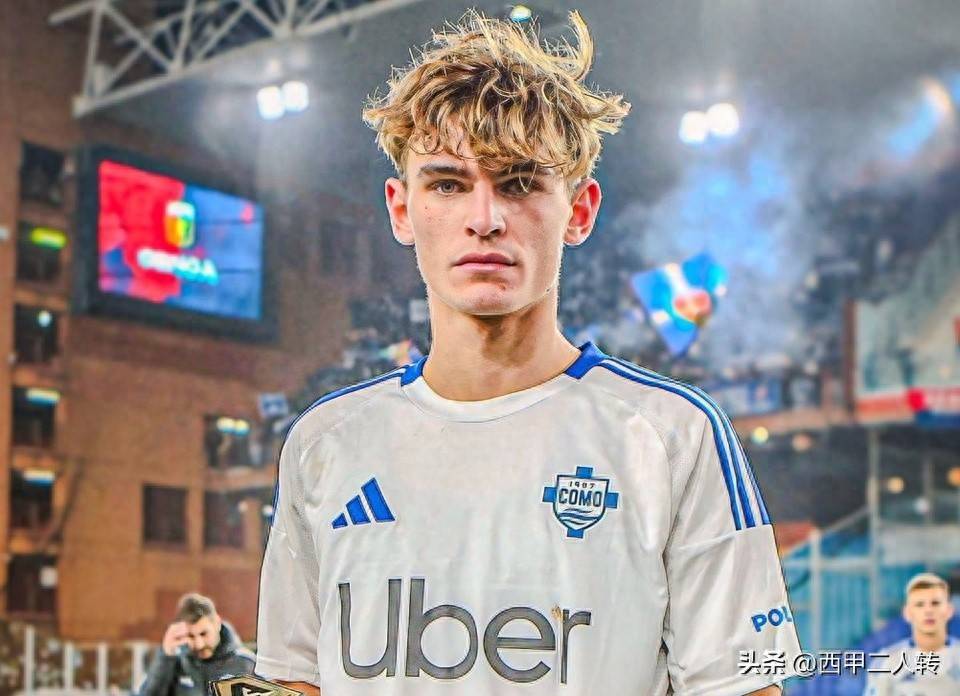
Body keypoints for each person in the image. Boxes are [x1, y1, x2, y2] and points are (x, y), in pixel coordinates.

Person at [254, 9, 801, 695]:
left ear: (580, 210)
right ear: (401, 209)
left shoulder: (671, 437)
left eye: (519, 183)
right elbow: (295, 682)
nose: (484, 218)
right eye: (448, 184)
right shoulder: (324, 445)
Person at [139, 593, 255, 696]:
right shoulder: (175, 662)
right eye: (191, 636)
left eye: (203, 634)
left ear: (217, 623)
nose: (199, 644)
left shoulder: (247, 665)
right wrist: (166, 655)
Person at [865, 573, 960, 695]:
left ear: (949, 610)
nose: (928, 611)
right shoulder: (887, 662)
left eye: (935, 603)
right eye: (920, 605)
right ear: (907, 613)